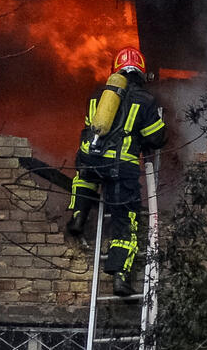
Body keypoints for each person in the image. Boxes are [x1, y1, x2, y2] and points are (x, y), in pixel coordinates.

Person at [66, 46, 167, 297]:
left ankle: (78, 215)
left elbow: (89, 128)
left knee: (84, 176)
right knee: (125, 221)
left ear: (116, 70)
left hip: (90, 160)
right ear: (141, 73)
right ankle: (121, 276)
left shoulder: (98, 96)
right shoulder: (145, 100)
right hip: (121, 169)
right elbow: (155, 138)